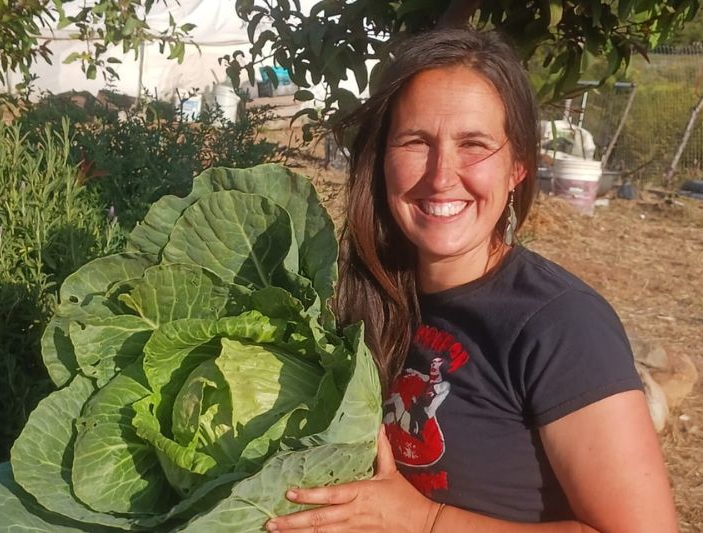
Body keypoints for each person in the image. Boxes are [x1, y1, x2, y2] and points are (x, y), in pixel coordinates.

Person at [264, 28, 678, 532]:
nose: (441, 176)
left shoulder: (562, 326)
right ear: (382, 160)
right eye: (416, 141)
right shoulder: (365, 297)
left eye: (474, 144)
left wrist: (426, 521)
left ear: (518, 166)